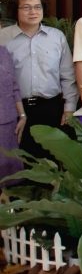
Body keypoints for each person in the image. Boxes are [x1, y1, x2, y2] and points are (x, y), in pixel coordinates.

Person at [0, 0, 77, 161]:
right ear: (15, 10)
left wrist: (70, 107)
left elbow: (68, 75)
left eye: (37, 7)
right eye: (26, 7)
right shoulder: (3, 38)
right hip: (14, 110)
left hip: (51, 108)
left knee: (52, 161)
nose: (33, 12)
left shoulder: (56, 37)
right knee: (19, 163)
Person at [0, 45, 25, 182]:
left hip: (8, 125)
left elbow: (14, 87)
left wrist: (22, 116)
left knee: (10, 180)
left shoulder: (3, 52)